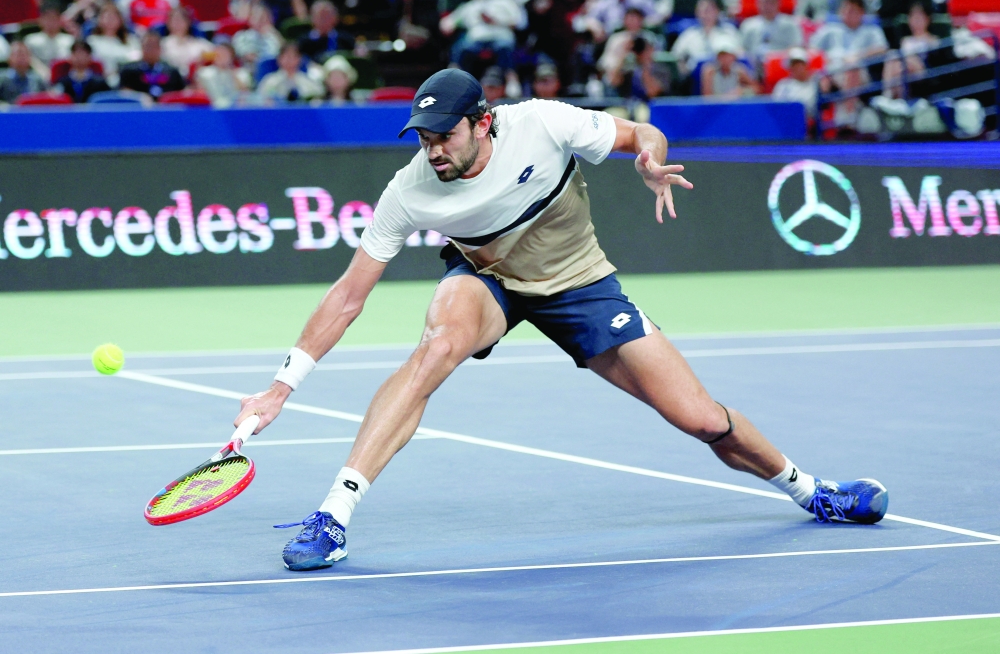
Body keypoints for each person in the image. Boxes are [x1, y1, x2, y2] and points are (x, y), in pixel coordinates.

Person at [235, 68, 890, 571]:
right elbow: (350, 294)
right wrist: (281, 385)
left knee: (701, 418)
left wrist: (650, 158)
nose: (433, 150)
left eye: (445, 136)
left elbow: (642, 132)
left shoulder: (544, 124)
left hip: (580, 285)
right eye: (425, 138)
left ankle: (811, 491)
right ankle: (333, 515)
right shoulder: (410, 188)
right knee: (437, 347)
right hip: (489, 279)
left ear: (483, 123)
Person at [440, 0, 525, 98]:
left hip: (500, 37)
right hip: (476, 40)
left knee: (505, 49)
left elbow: (521, 23)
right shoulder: (471, 5)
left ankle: (512, 81)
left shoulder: (506, 2)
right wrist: (446, 25)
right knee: (461, 49)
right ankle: (455, 81)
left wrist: (495, 21)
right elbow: (448, 22)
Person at [670, 0, 742, 77]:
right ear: (696, 12)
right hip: (695, 80)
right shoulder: (689, 34)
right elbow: (675, 56)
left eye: (709, 10)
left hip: (725, 77)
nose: (705, 14)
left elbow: (740, 54)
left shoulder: (729, 31)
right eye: (702, 11)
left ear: (717, 11)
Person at [809, 0, 888, 69]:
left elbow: (882, 49)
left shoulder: (871, 30)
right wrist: (825, 59)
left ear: (862, 12)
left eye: (852, 10)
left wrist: (858, 56)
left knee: (894, 58)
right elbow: (812, 49)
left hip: (862, 70)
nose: (847, 13)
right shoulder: (830, 29)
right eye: (845, 9)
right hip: (832, 71)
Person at [118, 31, 186, 99]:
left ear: (160, 49)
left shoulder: (172, 71)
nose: (151, 50)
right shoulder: (129, 70)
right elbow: (124, 94)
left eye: (154, 46)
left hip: (167, 107)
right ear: (142, 48)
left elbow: (181, 93)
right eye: (147, 46)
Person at [87, 2, 142, 82]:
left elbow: (137, 61)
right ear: (100, 20)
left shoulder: (131, 41)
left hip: (127, 81)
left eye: (114, 18)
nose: (110, 21)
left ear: (120, 20)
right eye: (107, 17)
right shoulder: (92, 41)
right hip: (100, 81)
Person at [740, 0, 802, 65]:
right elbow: (742, 49)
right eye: (764, 3)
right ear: (758, 4)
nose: (767, 6)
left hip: (779, 65)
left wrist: (774, 57)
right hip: (754, 64)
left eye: (771, 2)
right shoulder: (748, 25)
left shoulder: (790, 25)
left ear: (778, 3)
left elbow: (795, 48)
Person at [257, 41, 323, 102]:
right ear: (279, 59)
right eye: (285, 57)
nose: (288, 60)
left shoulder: (309, 81)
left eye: (292, 57)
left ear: (299, 59)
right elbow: (260, 99)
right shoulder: (269, 81)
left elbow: (319, 97)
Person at [195, 42, 251, 107]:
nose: (221, 57)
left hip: (235, 107)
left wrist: (230, 69)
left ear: (231, 56)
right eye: (219, 54)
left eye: (224, 54)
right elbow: (199, 91)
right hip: (212, 107)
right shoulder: (204, 72)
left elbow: (245, 92)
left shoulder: (241, 73)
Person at [161, 6, 214, 75]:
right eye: (175, 21)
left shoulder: (199, 43)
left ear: (188, 22)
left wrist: (203, 60)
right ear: (168, 23)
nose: (178, 24)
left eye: (181, 20)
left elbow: (216, 54)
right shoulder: (162, 44)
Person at [232, 4, 283, 72]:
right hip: (250, 70)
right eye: (258, 18)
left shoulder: (274, 37)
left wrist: (276, 34)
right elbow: (247, 55)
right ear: (251, 19)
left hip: (272, 71)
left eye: (264, 18)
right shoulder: (241, 36)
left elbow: (282, 55)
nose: (261, 21)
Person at [24, 0, 75, 68]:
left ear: (60, 19)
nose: (50, 22)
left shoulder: (70, 41)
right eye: (47, 18)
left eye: (54, 18)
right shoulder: (30, 41)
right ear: (40, 20)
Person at [772, 47, 818, 117]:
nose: (797, 68)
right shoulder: (783, 85)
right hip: (786, 120)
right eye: (793, 65)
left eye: (799, 64)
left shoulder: (815, 83)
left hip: (806, 121)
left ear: (805, 65)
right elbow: (776, 106)